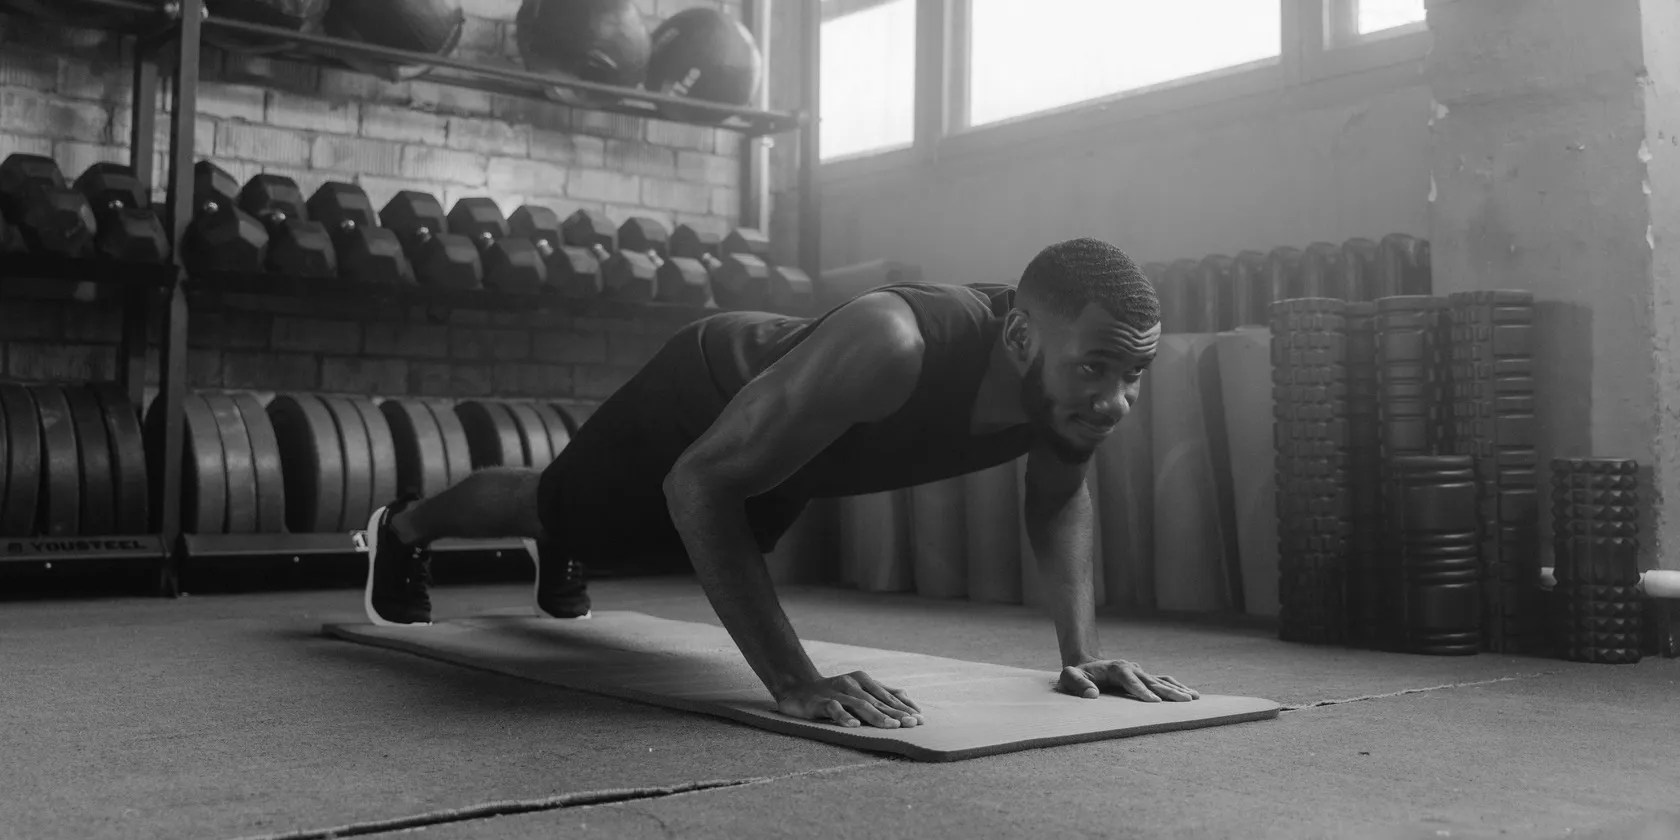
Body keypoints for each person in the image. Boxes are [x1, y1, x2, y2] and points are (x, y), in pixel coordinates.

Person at [361, 236, 1201, 730]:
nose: (1116, 401)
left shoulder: (1063, 397)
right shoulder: (895, 344)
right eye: (1099, 369)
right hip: (705, 395)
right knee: (560, 507)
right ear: (1019, 337)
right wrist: (795, 680)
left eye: (1136, 374)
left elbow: (1058, 498)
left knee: (663, 538)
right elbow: (698, 484)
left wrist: (1081, 654)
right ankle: (403, 527)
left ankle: (569, 544)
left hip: (804, 451)